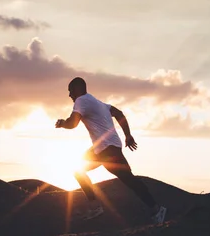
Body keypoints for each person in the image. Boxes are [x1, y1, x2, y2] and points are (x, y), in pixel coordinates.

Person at [55, 77, 167, 223]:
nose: (69, 95)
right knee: (79, 169)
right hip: (108, 148)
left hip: (106, 150)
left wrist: (62, 123)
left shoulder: (81, 100)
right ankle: (97, 206)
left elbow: (73, 123)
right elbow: (119, 113)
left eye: (70, 91)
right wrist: (128, 135)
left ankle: (157, 209)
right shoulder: (101, 104)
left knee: (129, 180)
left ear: (77, 89)